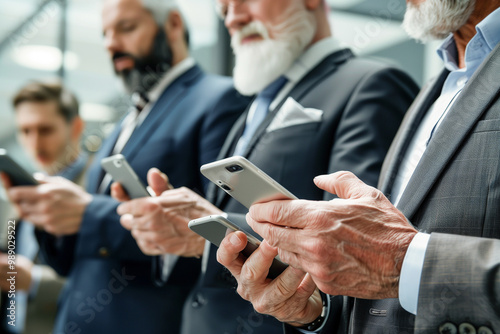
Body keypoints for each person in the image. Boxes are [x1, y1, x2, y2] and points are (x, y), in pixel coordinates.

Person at [112, 0, 419, 332]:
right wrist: (178, 228)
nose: (233, 18)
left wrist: (210, 230)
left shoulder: (373, 82)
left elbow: (357, 240)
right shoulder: (256, 105)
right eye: (224, 9)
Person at [217, 0, 500, 333]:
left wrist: (407, 262)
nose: (232, 17)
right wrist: (314, 312)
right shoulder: (437, 88)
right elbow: (377, 283)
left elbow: (394, 259)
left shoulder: (376, 82)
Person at [1, 0, 248, 332]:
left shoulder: (218, 99)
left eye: (126, 28)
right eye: (105, 33)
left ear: (174, 25)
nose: (111, 43)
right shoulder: (127, 120)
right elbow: (77, 252)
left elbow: (216, 231)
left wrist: (86, 213)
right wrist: (49, 215)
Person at [0, 81, 86, 334]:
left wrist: (36, 282)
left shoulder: (96, 192)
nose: (34, 144)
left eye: (45, 130)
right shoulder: (21, 187)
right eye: (25, 131)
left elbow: (108, 282)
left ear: (76, 128)